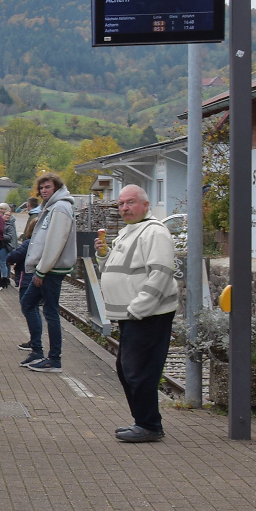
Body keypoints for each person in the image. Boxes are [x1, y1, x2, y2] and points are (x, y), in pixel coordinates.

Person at [99, 185, 178, 442]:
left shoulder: (154, 232)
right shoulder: (129, 232)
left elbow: (161, 272)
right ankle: (143, 421)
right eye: (121, 204)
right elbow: (121, 268)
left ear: (145, 205)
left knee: (138, 370)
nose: (124, 208)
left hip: (146, 315)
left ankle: (149, 425)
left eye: (130, 203)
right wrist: (104, 256)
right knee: (127, 369)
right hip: (132, 315)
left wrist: (138, 308)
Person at [20, 175, 75, 371]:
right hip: (46, 267)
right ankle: (37, 351)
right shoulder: (50, 207)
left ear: (57, 188)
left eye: (48, 187)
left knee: (50, 311)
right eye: (41, 187)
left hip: (52, 268)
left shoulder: (60, 208)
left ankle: (54, 358)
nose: (44, 190)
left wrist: (41, 271)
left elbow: (55, 242)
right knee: (28, 303)